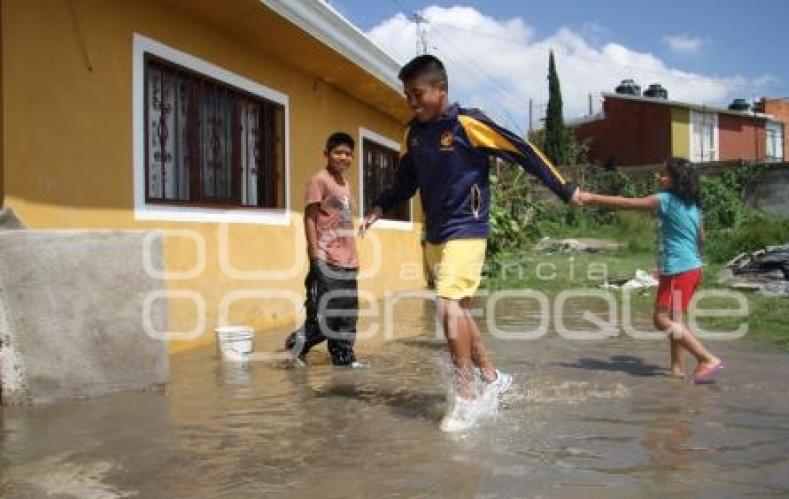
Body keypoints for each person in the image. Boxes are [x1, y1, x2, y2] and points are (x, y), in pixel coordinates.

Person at [361, 55, 581, 431]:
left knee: (448, 308)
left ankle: (464, 393)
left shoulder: (469, 123)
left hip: (468, 227)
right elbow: (405, 180)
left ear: (441, 90)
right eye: (407, 96)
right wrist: (380, 205)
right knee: (460, 310)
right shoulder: (412, 134)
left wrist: (564, 188)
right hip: (436, 233)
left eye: (418, 94)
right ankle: (494, 379)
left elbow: (522, 150)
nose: (412, 103)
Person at [579, 157, 724, 384]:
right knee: (676, 320)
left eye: (664, 174)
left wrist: (591, 197)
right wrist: (670, 262)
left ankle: (707, 358)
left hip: (679, 271)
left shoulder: (664, 200)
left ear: (676, 180)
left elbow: (626, 203)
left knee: (661, 319)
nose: (659, 177)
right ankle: (677, 370)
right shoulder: (694, 206)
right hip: (691, 269)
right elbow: (701, 240)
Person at [283, 132, 364, 368]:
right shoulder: (320, 180)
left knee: (348, 314)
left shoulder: (344, 183)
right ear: (326, 153)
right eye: (338, 152)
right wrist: (314, 255)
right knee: (327, 314)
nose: (343, 157)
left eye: (348, 154)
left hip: (347, 261)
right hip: (327, 257)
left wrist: (354, 257)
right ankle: (295, 345)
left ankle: (344, 358)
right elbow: (310, 219)